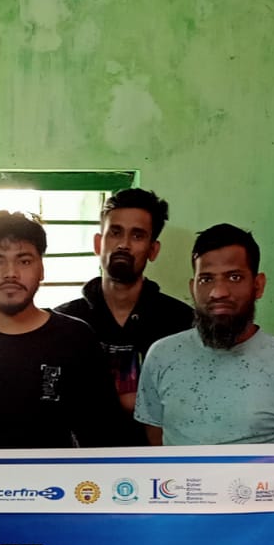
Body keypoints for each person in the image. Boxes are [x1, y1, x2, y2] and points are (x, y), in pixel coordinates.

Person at [0, 210, 120, 449]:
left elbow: (102, 435)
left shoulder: (76, 338)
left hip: (57, 474)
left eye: (24, 261)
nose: (10, 273)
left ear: (42, 269)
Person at [136, 223, 274, 445]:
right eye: (206, 279)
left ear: (258, 286)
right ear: (193, 288)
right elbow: (157, 447)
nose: (218, 292)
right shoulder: (161, 357)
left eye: (234, 277)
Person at [55, 187, 192, 437]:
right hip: (83, 459)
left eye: (137, 235)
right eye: (115, 232)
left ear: (153, 250)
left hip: (159, 457)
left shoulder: (181, 322)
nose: (123, 245)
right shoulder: (64, 323)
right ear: (98, 243)